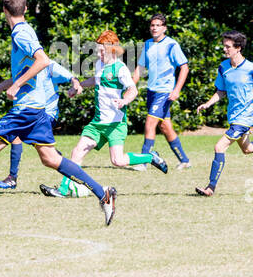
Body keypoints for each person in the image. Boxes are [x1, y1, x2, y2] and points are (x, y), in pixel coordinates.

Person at [0, 0, 116, 228]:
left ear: (4, 10)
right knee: (49, 158)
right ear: (25, 9)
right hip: (36, 109)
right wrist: (1, 85)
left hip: (26, 109)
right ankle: (103, 193)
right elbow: (30, 69)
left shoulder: (20, 33)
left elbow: (43, 61)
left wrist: (15, 86)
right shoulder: (25, 31)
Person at [41, 30, 167, 199]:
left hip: (115, 124)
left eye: (102, 50)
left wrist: (124, 101)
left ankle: (150, 157)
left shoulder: (120, 69)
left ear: (112, 49)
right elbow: (96, 79)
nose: (99, 53)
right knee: (77, 152)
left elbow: (133, 89)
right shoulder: (100, 65)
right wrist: (79, 86)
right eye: (97, 50)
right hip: (98, 123)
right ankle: (64, 190)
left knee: (118, 161)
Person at [193, 31, 253, 197]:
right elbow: (222, 91)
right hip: (234, 117)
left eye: (228, 46)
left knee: (219, 147)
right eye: (224, 45)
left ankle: (210, 188)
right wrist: (208, 103)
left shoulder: (252, 69)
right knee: (248, 148)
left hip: (245, 118)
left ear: (238, 48)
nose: (224, 49)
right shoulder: (223, 67)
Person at [0, 60, 80, 191]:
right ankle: (13, 178)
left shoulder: (48, 64)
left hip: (46, 115)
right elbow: (16, 79)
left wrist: (75, 85)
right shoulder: (26, 63)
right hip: (32, 113)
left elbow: (71, 77)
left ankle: (12, 178)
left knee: (17, 137)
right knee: (48, 156)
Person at [134, 14, 192, 169]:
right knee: (165, 127)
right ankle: (185, 160)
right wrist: (131, 87)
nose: (154, 28)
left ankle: (143, 162)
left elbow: (184, 67)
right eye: (152, 25)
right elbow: (139, 68)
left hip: (165, 92)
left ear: (164, 28)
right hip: (151, 92)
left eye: (158, 25)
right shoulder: (147, 44)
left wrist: (177, 90)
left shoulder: (172, 45)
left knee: (150, 123)